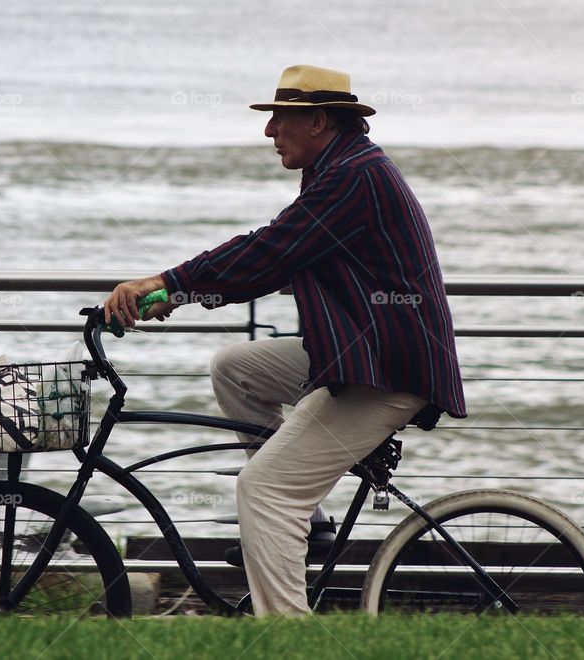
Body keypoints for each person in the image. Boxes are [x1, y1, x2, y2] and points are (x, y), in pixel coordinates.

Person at [103, 64, 467, 617]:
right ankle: (309, 516)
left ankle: (286, 637)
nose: (269, 132)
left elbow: (270, 249)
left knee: (264, 490)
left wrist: (166, 280)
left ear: (317, 120)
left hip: (387, 367)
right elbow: (273, 264)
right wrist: (178, 299)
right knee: (235, 367)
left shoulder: (355, 176)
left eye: (278, 119)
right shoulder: (338, 169)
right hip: (359, 351)